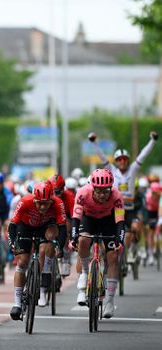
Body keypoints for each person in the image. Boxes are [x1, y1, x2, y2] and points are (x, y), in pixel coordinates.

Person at [89, 131, 157, 265]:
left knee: (137, 228)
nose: (122, 162)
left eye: (125, 159)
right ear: (116, 161)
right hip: (114, 210)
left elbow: (143, 155)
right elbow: (102, 157)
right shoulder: (112, 171)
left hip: (129, 210)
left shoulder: (133, 169)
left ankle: (132, 250)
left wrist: (153, 141)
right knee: (107, 235)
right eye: (119, 160)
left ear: (128, 161)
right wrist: (94, 143)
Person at [8, 181, 67, 319]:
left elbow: (63, 229)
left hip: (45, 227)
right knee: (22, 262)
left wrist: (59, 246)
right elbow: (12, 225)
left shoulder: (58, 203)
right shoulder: (25, 202)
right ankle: (17, 303)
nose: (42, 206)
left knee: (51, 237)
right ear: (34, 199)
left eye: (45, 203)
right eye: (38, 203)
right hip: (25, 227)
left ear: (51, 201)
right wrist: (12, 243)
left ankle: (45, 270)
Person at [71, 168, 125, 318]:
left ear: (111, 189)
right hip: (89, 220)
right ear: (92, 188)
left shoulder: (116, 196)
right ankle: (84, 273)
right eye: (98, 191)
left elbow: (120, 221)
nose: (102, 195)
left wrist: (119, 240)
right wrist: (73, 237)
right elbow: (76, 217)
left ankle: (110, 301)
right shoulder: (83, 192)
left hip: (108, 221)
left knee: (113, 257)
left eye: (105, 191)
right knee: (83, 239)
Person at [49, 174, 75, 276]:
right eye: (55, 192)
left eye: (59, 192)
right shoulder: (46, 195)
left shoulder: (69, 196)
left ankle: (65, 259)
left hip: (65, 217)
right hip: (50, 218)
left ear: (63, 189)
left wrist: (72, 232)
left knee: (66, 228)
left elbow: (73, 216)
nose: (57, 195)